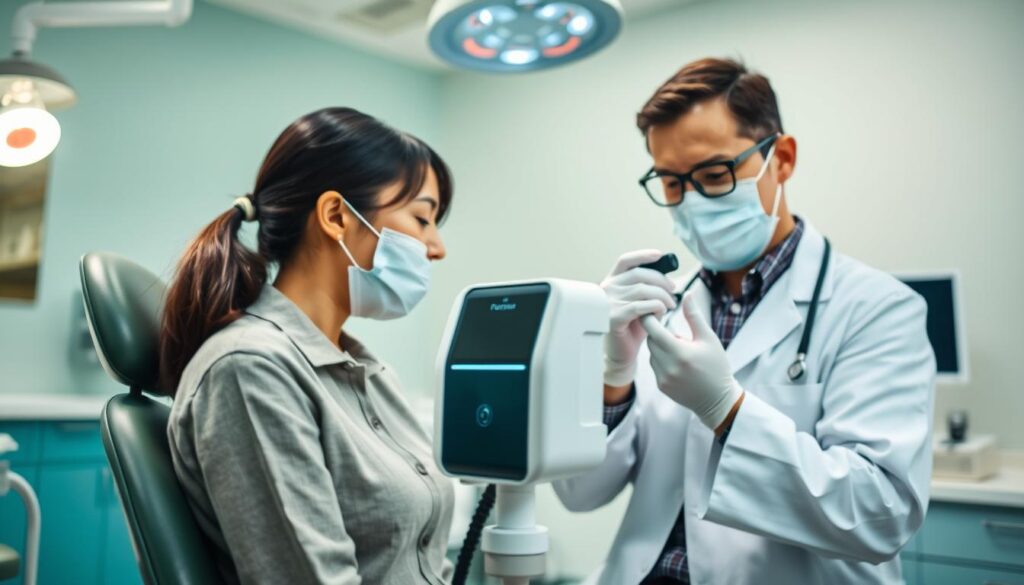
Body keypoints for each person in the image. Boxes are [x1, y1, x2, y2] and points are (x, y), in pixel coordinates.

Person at [555, 58, 936, 585]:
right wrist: (612, 375)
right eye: (670, 182)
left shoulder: (877, 309)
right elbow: (580, 493)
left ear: (781, 159)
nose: (690, 200)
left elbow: (880, 514)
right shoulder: (663, 303)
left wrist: (726, 410)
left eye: (714, 174)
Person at [161, 107, 455, 584]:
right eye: (423, 218)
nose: (437, 247)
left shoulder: (367, 372)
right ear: (337, 216)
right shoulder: (250, 369)